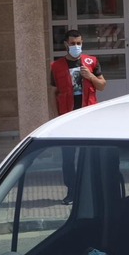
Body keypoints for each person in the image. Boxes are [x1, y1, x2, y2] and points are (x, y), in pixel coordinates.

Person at [50, 30, 105, 202]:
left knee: (90, 153)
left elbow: (102, 85)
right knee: (68, 157)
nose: (76, 46)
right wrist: (55, 117)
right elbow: (53, 92)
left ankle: (92, 189)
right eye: (73, 43)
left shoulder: (91, 62)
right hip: (67, 116)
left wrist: (89, 76)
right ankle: (72, 191)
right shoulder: (56, 66)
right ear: (66, 44)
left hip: (88, 114)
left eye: (79, 43)